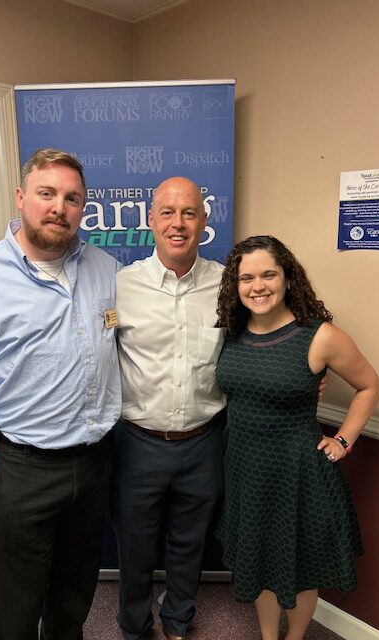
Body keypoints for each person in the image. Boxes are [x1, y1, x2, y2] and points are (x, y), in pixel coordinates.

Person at [0, 148, 121, 640]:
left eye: (72, 198)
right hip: (19, 470)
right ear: (21, 198)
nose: (59, 206)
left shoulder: (107, 270)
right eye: (46, 194)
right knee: (12, 607)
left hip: (93, 462)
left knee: (72, 598)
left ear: (84, 207)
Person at [215, 235, 379, 640]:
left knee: (300, 566)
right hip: (246, 471)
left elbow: (370, 386)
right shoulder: (231, 332)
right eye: (247, 277)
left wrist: (343, 440)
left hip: (297, 474)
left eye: (269, 274)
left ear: (288, 277)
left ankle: (295, 637)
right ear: (235, 286)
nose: (258, 286)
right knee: (258, 562)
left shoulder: (319, 336)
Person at [112, 176, 227, 640]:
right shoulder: (119, 286)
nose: (178, 224)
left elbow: (270, 330)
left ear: (204, 220)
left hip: (205, 441)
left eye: (189, 213)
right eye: (168, 213)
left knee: (190, 542)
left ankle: (178, 620)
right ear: (150, 220)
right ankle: (134, 626)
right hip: (136, 443)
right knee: (135, 548)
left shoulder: (227, 285)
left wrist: (309, 374)